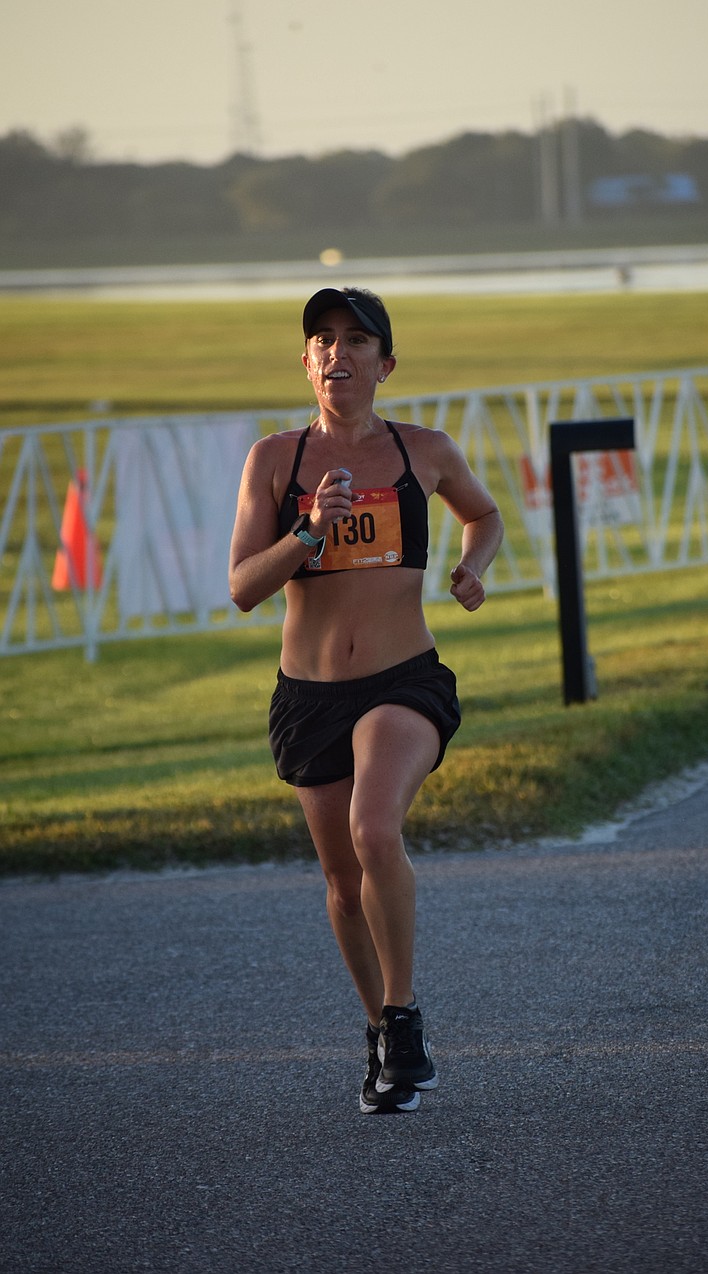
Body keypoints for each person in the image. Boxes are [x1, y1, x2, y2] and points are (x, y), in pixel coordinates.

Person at [229, 286, 504, 1114]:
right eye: (322, 340)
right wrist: (308, 531)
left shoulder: (424, 450)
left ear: (385, 364)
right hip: (309, 695)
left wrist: (472, 567)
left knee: (374, 828)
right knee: (343, 883)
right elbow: (244, 587)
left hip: (403, 681)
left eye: (356, 341)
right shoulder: (275, 461)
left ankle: (406, 1013)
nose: (337, 354)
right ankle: (381, 1036)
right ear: (307, 362)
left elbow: (484, 516)